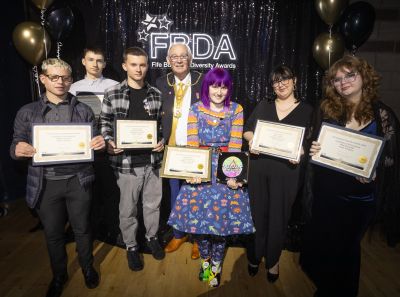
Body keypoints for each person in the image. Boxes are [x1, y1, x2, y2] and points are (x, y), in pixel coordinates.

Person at [300, 55, 400, 297]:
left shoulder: (383, 115)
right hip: (326, 193)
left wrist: (375, 171)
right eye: (337, 79)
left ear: (364, 76)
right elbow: (311, 143)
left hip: (359, 199)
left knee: (346, 251)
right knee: (322, 247)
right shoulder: (326, 110)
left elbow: (391, 159)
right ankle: (325, 288)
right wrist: (313, 148)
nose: (343, 82)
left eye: (350, 75)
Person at [10, 58, 105, 297]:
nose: (60, 82)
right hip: (46, 183)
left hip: (78, 180)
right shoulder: (27, 112)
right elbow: (15, 144)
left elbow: (95, 140)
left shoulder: (83, 110)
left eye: (65, 78)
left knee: (83, 229)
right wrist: (17, 150)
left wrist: (99, 143)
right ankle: (59, 275)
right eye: (54, 77)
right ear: (43, 79)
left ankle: (87, 268)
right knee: (53, 234)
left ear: (71, 80)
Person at [167, 67, 255, 287]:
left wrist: (233, 176)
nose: (219, 91)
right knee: (201, 226)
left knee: (220, 225)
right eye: (215, 85)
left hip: (225, 170)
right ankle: (205, 263)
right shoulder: (195, 109)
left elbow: (235, 145)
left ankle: (216, 263)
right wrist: (193, 173)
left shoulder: (236, 109)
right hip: (201, 169)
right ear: (207, 87)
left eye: (224, 87)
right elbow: (192, 142)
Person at [243, 65, 313, 282]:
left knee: (279, 218)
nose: (280, 84)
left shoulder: (308, 110)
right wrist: (251, 139)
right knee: (257, 214)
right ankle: (254, 256)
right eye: (276, 81)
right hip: (259, 168)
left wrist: (300, 152)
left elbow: (311, 142)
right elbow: (247, 129)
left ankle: (273, 261)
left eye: (285, 79)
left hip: (287, 172)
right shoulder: (264, 105)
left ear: (294, 81)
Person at [100, 47, 165, 271]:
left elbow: (160, 128)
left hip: (153, 163)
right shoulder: (112, 93)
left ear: (147, 66)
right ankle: (131, 246)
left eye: (143, 64)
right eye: (134, 64)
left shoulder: (156, 94)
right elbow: (104, 123)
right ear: (125, 66)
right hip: (126, 165)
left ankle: (152, 238)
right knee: (127, 210)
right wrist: (109, 142)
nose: (139, 69)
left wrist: (161, 141)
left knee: (152, 206)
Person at [156, 43, 203, 259]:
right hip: (172, 150)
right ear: (168, 60)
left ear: (190, 59)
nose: (179, 60)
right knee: (175, 196)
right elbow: (155, 116)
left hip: (196, 150)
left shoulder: (203, 81)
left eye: (183, 56)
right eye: (174, 56)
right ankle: (178, 234)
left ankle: (196, 239)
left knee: (196, 195)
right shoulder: (160, 83)